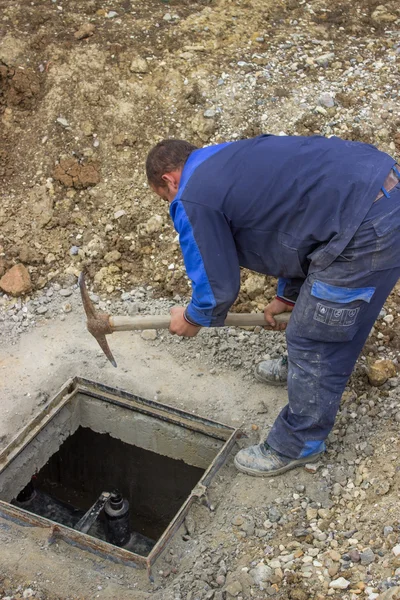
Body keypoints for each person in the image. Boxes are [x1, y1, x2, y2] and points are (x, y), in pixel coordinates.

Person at [146, 134, 400, 477]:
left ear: (168, 180)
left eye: (165, 197)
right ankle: (304, 372)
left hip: (366, 224)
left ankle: (299, 442)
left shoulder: (192, 195)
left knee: (314, 337)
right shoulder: (227, 157)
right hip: (379, 186)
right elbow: (290, 217)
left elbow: (216, 283)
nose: (170, 202)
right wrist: (289, 295)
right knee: (318, 317)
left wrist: (194, 316)